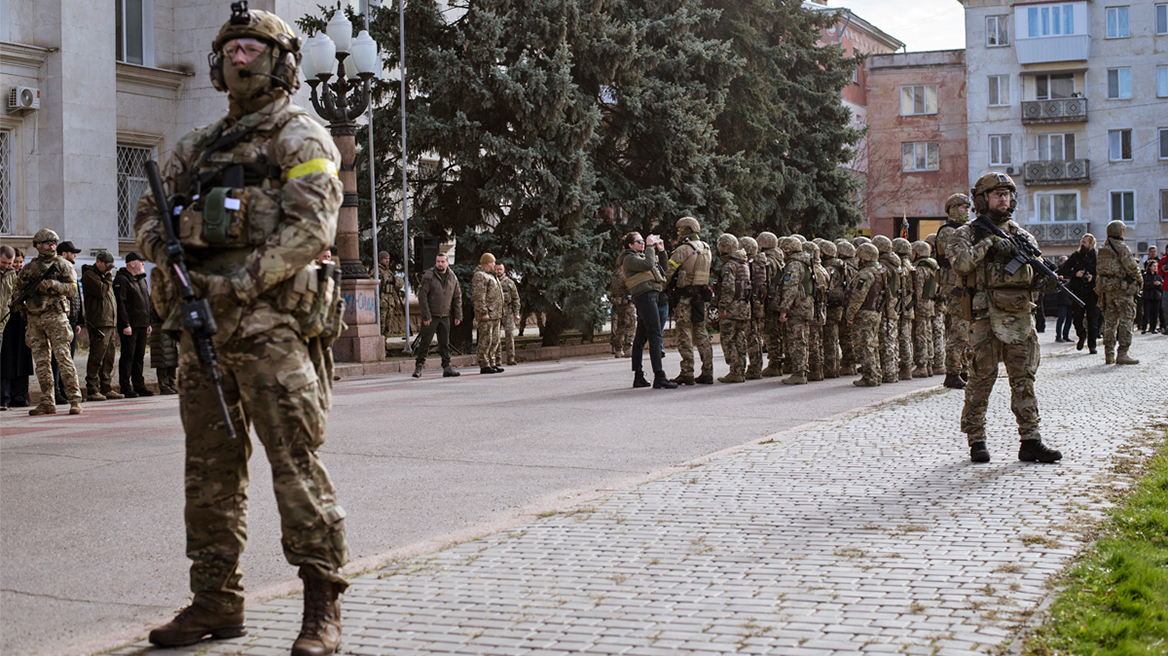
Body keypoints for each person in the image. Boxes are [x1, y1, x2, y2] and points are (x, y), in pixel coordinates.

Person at [134, 5, 351, 653]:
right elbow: (148, 213)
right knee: (208, 473)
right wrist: (167, 249)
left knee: (294, 465)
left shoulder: (299, 135)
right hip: (202, 333)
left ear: (282, 63)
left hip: (271, 330)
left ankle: (322, 605)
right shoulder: (194, 146)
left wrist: (238, 282)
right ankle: (215, 603)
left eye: (253, 46)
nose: (239, 55)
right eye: (231, 47)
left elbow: (311, 226)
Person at [947, 172, 1061, 464]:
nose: (1003, 199)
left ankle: (1031, 440)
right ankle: (976, 440)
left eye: (1007, 194)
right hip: (985, 317)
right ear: (983, 199)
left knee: (1024, 380)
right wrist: (989, 245)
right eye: (997, 194)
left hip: (1020, 318)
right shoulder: (968, 233)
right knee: (981, 381)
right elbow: (960, 264)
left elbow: (1031, 278)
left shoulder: (1021, 235)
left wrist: (1044, 280)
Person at [13, 229, 83, 415]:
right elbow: (18, 289)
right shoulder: (29, 268)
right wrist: (21, 303)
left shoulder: (63, 265)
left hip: (56, 317)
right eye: (47, 243)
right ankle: (47, 400)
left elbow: (73, 290)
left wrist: (53, 285)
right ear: (38, 245)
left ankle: (75, 399)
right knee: (42, 362)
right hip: (35, 319)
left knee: (63, 358)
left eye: (53, 243)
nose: (51, 246)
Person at [619, 231, 676, 389]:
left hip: (651, 296)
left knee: (640, 338)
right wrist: (651, 247)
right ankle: (659, 376)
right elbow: (648, 265)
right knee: (655, 334)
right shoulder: (629, 258)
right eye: (639, 241)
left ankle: (639, 376)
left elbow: (662, 268)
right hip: (645, 297)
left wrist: (661, 250)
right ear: (630, 245)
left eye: (644, 241)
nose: (643, 243)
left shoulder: (642, 256)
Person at [661, 217, 713, 385]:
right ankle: (708, 371)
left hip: (685, 299)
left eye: (679, 229)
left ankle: (687, 372)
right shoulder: (706, 248)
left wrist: (659, 288)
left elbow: (668, 272)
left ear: (686, 230)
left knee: (684, 334)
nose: (677, 233)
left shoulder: (683, 249)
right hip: (700, 299)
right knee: (702, 333)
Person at [936, 193, 972, 389]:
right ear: (951, 209)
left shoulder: (964, 230)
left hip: (965, 284)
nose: (966, 211)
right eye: (962, 207)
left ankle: (964, 369)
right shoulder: (948, 232)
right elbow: (959, 256)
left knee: (967, 329)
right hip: (955, 286)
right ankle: (952, 372)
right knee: (959, 329)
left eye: (968, 208)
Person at [1095, 220, 1141, 365]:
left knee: (1109, 322)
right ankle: (1123, 353)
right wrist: (1140, 280)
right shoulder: (1121, 248)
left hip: (1107, 290)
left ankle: (1109, 354)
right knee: (1126, 320)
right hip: (1122, 289)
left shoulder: (1102, 249)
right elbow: (1132, 267)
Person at [79, 250, 123, 400]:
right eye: (107, 266)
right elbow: (100, 291)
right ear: (98, 262)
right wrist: (109, 278)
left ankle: (106, 386)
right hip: (98, 322)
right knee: (97, 356)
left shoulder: (104, 277)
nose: (109, 269)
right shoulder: (90, 276)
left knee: (109, 356)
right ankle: (92, 388)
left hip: (109, 322)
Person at [414, 252, 463, 378]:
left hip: (445, 315)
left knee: (444, 343)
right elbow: (422, 296)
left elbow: (457, 297)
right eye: (438, 261)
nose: (440, 264)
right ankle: (419, 366)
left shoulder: (452, 277)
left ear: (448, 262)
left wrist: (458, 315)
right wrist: (426, 315)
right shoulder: (429, 275)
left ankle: (447, 367)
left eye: (442, 262)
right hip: (431, 315)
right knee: (425, 342)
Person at [845, 243, 886, 387]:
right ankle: (876, 373)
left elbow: (858, 296)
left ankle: (870, 376)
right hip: (875, 312)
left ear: (864, 258)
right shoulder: (880, 271)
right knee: (873, 344)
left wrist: (850, 314)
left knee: (865, 345)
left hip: (865, 313)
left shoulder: (865, 274)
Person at [114, 252, 154, 398]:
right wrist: (125, 324)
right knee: (128, 356)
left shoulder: (141, 279)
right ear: (132, 263)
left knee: (139, 356)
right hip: (130, 326)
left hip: (142, 324)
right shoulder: (122, 280)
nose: (143, 264)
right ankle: (125, 386)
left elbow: (146, 301)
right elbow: (121, 304)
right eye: (141, 261)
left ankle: (139, 384)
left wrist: (148, 321)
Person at [777, 236, 813, 385]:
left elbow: (790, 288)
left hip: (797, 308)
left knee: (796, 341)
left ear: (788, 250)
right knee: (802, 339)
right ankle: (803, 370)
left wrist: (784, 309)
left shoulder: (794, 265)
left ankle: (799, 374)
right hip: (806, 306)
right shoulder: (806, 263)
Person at [714, 233, 750, 384]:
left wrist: (723, 307)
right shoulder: (743, 263)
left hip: (732, 308)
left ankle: (735, 371)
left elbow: (728, 288)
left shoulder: (729, 265)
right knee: (740, 339)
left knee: (728, 340)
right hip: (744, 307)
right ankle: (740, 370)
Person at [1, 248, 34, 410]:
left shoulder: (18, 276)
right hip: (6, 321)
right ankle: (5, 396)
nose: (15, 266)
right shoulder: (8, 275)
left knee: (21, 359)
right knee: (6, 361)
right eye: (13, 263)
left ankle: (19, 395)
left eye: (18, 263)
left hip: (20, 320)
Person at [52, 241, 84, 404]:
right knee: (59, 358)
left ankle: (66, 390)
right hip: (60, 320)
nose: (75, 256)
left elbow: (76, 297)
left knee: (69, 358)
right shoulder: (57, 269)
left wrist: (78, 320)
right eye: (73, 253)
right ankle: (56, 390)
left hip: (71, 321)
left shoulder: (71, 270)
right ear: (64, 254)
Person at [1058, 234, 1100, 354]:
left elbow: (1103, 274)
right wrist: (1075, 273)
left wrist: (1093, 277)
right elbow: (1063, 269)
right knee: (1077, 318)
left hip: (1092, 292)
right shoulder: (1076, 256)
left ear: (1091, 244)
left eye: (1085, 242)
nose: (1082, 244)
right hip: (1078, 292)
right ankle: (1082, 335)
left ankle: (1092, 345)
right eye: (1082, 241)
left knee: (1093, 319)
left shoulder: (1097, 257)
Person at [872, 235, 901, 384]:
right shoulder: (896, 264)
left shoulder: (884, 266)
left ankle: (889, 373)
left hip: (887, 305)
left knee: (886, 339)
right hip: (894, 304)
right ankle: (892, 370)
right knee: (892, 338)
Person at [738, 236, 767, 380]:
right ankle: (756, 368)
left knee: (752, 336)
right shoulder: (761, 262)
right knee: (756, 335)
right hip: (758, 302)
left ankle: (755, 369)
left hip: (752, 302)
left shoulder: (752, 263)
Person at [757, 232, 785, 377]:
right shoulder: (780, 258)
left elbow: (764, 282)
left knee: (770, 334)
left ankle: (775, 364)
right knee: (777, 333)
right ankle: (780, 362)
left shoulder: (767, 260)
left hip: (770, 302)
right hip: (778, 301)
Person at [149, 265, 180, 393]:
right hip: (162, 326)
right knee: (162, 357)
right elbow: (156, 310)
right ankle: (164, 384)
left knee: (172, 356)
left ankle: (172, 382)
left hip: (172, 326)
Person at [910, 240, 939, 378]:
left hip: (921, 306)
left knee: (921, 336)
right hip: (929, 304)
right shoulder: (933, 267)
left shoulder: (921, 269)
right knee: (928, 335)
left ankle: (922, 365)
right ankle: (929, 363)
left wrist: (913, 304)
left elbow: (918, 290)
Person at [472, 253, 504, 374]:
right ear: (487, 263)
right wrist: (483, 312)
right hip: (487, 315)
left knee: (494, 340)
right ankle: (484, 363)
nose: (495, 265)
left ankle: (492, 362)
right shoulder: (480, 276)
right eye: (493, 262)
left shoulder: (491, 276)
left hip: (495, 314)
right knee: (486, 340)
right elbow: (479, 296)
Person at [892, 237, 916, 380]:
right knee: (906, 337)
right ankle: (906, 366)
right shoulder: (909, 265)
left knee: (904, 337)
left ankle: (906, 368)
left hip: (903, 305)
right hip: (907, 305)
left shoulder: (902, 266)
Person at [376, 251, 404, 355]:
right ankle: (379, 349)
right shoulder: (377, 270)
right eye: (385, 258)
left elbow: (393, 288)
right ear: (380, 259)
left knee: (388, 326)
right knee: (381, 326)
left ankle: (384, 348)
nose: (387, 260)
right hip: (382, 301)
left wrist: (395, 300)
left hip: (389, 301)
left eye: (388, 258)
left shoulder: (389, 272)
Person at [0, 245, 17, 411]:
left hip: (2, 323)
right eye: (4, 262)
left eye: (9, 263)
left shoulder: (12, 274)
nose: (6, 265)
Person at [608, 259, 635, 358]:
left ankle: (618, 349)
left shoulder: (615, 273)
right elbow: (629, 287)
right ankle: (628, 348)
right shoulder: (624, 273)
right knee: (631, 324)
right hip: (627, 303)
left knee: (620, 326)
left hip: (618, 303)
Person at [496, 262, 520, 366]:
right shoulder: (491, 282)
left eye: (500, 269)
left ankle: (511, 357)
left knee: (509, 334)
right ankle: (497, 359)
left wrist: (516, 313)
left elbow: (515, 298)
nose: (498, 271)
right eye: (497, 269)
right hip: (495, 312)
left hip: (508, 312)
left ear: (504, 270)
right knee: (495, 336)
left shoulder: (509, 283)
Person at [1054, 256, 1073, 342]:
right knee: (1061, 318)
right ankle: (1058, 336)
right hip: (1063, 298)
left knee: (1069, 318)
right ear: (1061, 262)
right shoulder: (1059, 272)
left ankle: (1066, 335)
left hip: (1070, 298)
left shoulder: (1069, 272)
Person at [1140, 259, 1162, 334]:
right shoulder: (1145, 276)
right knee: (1146, 313)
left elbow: (1161, 287)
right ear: (1150, 267)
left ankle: (1153, 328)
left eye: (1156, 266)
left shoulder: (1158, 276)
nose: (1155, 268)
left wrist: (1159, 285)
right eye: (1154, 266)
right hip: (1148, 297)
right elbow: (1143, 285)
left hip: (1156, 297)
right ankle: (1144, 327)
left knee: (1155, 313)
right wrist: (1153, 283)